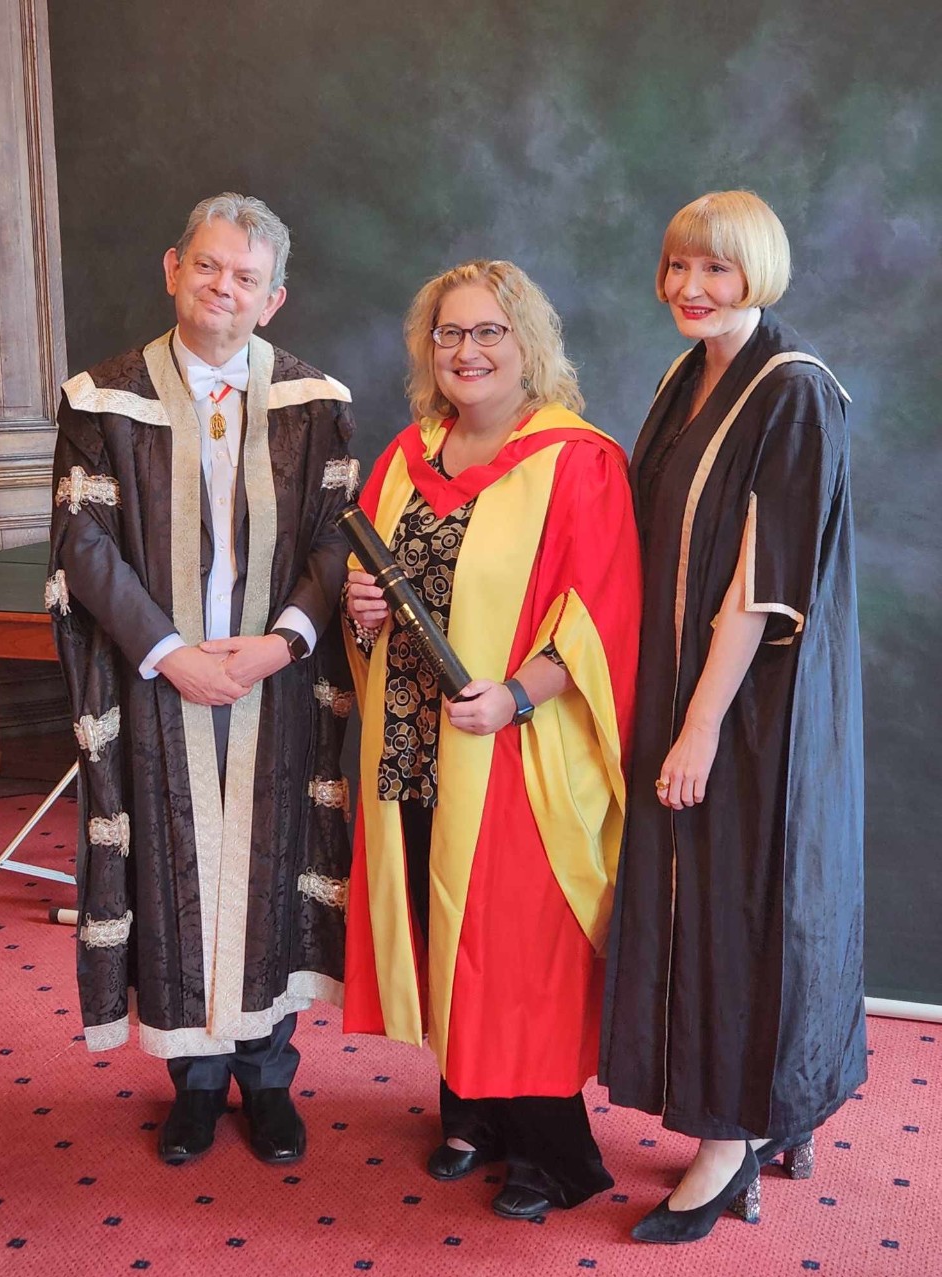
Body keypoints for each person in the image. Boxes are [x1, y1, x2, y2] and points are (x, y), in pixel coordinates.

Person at [47, 193, 356, 1166]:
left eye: (248, 278)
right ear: (173, 267)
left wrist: (282, 642)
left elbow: (338, 542)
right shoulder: (102, 397)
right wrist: (169, 653)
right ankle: (195, 1078)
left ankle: (266, 1077)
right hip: (157, 681)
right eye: (211, 266)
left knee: (266, 873)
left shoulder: (317, 402)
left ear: (274, 299)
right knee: (178, 872)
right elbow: (84, 544)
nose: (226, 288)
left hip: (276, 682)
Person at [341, 259, 641, 1219]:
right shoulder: (406, 455)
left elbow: (595, 620)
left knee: (515, 947)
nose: (466, 352)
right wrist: (361, 616)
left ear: (527, 346)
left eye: (488, 333)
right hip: (414, 747)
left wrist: (516, 696)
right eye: (448, 334)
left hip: (515, 748)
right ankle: (468, 1110)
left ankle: (553, 1154)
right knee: (443, 923)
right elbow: (381, 600)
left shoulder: (577, 460)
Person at [599, 190, 866, 1243]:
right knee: (689, 899)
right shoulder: (687, 373)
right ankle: (768, 1106)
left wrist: (702, 723)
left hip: (757, 712)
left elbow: (762, 586)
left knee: (738, 910)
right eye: (676, 268)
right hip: (677, 685)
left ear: (756, 272)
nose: (688, 290)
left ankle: (729, 1139)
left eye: (713, 270)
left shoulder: (793, 392)